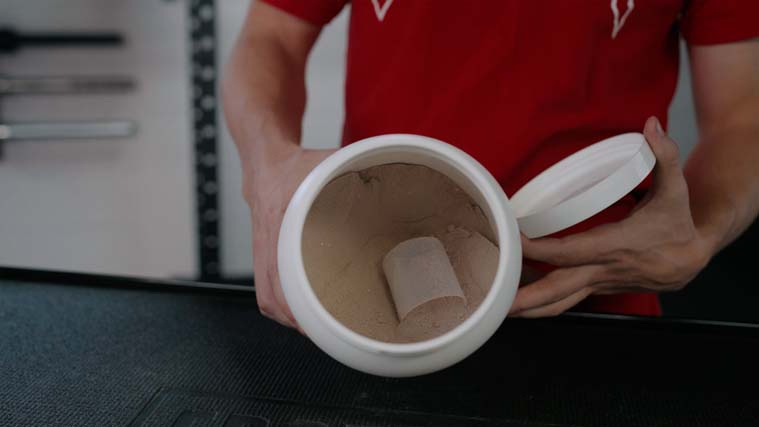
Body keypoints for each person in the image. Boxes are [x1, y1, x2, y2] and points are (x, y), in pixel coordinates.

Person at [222, 0, 759, 328]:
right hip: (378, 288)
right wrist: (267, 171)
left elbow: (743, 117)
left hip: (600, 302)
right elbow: (271, 38)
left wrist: (702, 233)